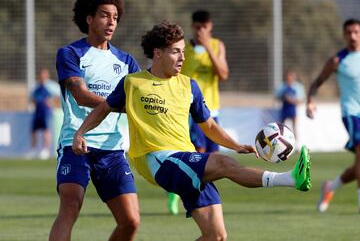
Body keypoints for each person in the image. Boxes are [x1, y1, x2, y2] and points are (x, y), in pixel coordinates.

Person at [73, 21, 311, 240]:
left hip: (185, 159)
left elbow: (209, 126)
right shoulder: (133, 83)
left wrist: (236, 146)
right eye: (175, 51)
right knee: (223, 163)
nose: (182, 58)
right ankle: (290, 179)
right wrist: (80, 132)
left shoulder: (189, 86)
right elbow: (103, 108)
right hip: (159, 160)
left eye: (184, 52)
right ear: (157, 53)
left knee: (216, 236)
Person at [49, 0, 141, 241]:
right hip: (75, 144)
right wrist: (119, 104)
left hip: (112, 149)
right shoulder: (70, 53)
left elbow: (139, 102)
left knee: (131, 222)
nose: (111, 21)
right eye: (104, 15)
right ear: (89, 18)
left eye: (115, 17)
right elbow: (81, 95)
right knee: (70, 205)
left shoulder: (127, 62)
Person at [172, 10, 229, 215]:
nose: (201, 30)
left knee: (215, 158)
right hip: (191, 111)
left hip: (212, 110)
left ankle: (195, 196)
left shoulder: (217, 45)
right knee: (199, 154)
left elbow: (223, 73)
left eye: (204, 26)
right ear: (193, 26)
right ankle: (190, 197)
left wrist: (208, 49)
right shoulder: (184, 49)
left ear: (210, 27)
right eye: (197, 27)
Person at [306, 18, 360, 213]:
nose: (353, 36)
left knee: (358, 165)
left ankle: (331, 186)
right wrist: (310, 100)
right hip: (352, 113)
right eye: (349, 33)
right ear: (344, 35)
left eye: (356, 32)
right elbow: (317, 82)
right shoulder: (338, 61)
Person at [30, 67, 60, 160]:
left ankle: (45, 150)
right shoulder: (36, 86)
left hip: (47, 111)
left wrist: (51, 103)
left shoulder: (51, 86)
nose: (42, 76)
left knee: (46, 130)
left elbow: (58, 98)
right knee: (34, 130)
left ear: (47, 75)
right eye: (41, 74)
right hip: (37, 111)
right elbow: (32, 98)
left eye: (44, 74)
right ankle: (34, 150)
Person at [275, 70, 305, 138]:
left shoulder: (298, 87)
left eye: (291, 76)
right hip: (284, 108)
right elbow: (277, 96)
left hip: (293, 109)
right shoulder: (282, 86)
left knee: (294, 126)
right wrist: (284, 97)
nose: (289, 78)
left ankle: (296, 142)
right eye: (288, 76)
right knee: (281, 126)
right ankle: (280, 139)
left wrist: (294, 101)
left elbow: (301, 98)